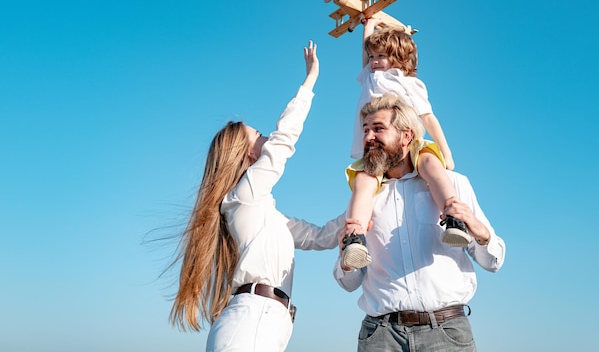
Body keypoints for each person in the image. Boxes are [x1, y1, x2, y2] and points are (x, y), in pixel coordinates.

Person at [169, 41, 343, 352]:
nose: (266, 138)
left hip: (265, 323)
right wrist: (309, 83)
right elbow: (282, 144)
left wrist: (367, 204)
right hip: (251, 322)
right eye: (258, 135)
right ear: (248, 154)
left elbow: (320, 237)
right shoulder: (241, 198)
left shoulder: (265, 213)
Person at [334, 94, 506, 352]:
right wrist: (344, 258)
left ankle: (454, 224)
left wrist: (479, 231)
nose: (368, 137)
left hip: (446, 334)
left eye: (378, 129)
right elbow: (348, 283)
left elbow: (494, 261)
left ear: (407, 136)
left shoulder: (454, 184)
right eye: (366, 130)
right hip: (380, 337)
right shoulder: (365, 198)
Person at [341, 20, 467, 271]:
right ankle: (355, 237)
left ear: (398, 59)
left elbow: (428, 117)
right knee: (363, 183)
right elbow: (365, 54)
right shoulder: (369, 76)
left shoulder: (407, 83)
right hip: (377, 150)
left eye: (382, 56)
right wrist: (368, 23)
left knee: (431, 167)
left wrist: (447, 152)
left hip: (406, 142)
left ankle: (453, 217)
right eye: (373, 56)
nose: (374, 61)